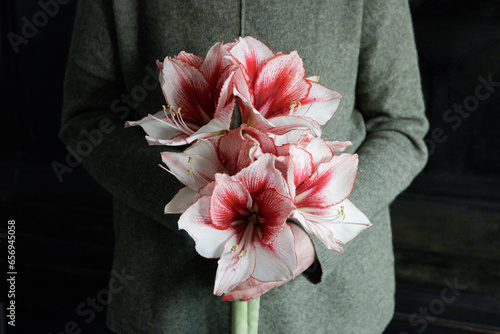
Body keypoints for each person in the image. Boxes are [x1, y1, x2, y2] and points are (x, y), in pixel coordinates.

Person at [60, 0, 429, 333]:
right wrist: (200, 193)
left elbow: (402, 127)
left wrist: (309, 237)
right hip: (166, 304)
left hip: (329, 310)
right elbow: (86, 119)